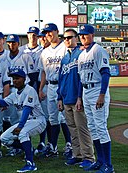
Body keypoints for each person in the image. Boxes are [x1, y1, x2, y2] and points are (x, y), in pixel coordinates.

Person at [0, 69, 46, 172]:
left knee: (22, 133)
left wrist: (20, 126)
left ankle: (31, 164)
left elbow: (27, 110)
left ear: (24, 79)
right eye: (13, 78)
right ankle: (29, 149)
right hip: (27, 122)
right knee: (4, 138)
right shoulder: (14, 94)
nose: (15, 80)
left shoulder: (30, 90)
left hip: (38, 121)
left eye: (17, 78)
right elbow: (1, 104)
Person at [77, 24, 114, 173]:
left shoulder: (98, 50)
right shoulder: (81, 55)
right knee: (92, 127)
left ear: (92, 35)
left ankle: (108, 165)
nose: (83, 37)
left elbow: (105, 73)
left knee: (100, 127)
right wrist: (79, 98)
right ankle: (100, 161)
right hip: (86, 91)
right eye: (81, 35)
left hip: (97, 89)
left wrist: (102, 95)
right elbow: (80, 79)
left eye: (85, 34)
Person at [57, 29, 95, 168]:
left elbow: (82, 79)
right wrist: (59, 97)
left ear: (76, 38)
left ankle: (88, 157)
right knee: (72, 130)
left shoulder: (81, 55)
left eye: (69, 37)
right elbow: (61, 79)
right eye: (64, 38)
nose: (66, 40)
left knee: (82, 129)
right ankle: (77, 155)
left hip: (77, 98)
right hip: (66, 98)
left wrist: (80, 97)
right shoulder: (65, 58)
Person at [38, 23, 72, 158]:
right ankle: (53, 146)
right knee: (52, 118)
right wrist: (41, 89)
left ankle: (70, 145)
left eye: (50, 32)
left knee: (65, 116)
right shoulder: (45, 52)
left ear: (57, 32)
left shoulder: (65, 47)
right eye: (46, 33)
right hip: (50, 86)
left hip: (63, 85)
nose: (48, 35)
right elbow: (43, 73)